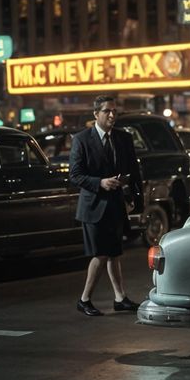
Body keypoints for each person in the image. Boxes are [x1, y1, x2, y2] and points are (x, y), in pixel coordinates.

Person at [69, 95, 142, 316]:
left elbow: (135, 172)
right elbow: (75, 175)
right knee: (100, 254)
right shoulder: (82, 139)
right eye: (107, 111)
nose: (112, 115)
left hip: (116, 205)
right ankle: (84, 299)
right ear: (96, 114)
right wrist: (100, 182)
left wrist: (135, 199)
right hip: (93, 207)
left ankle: (120, 298)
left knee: (114, 253)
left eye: (114, 111)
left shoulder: (123, 138)